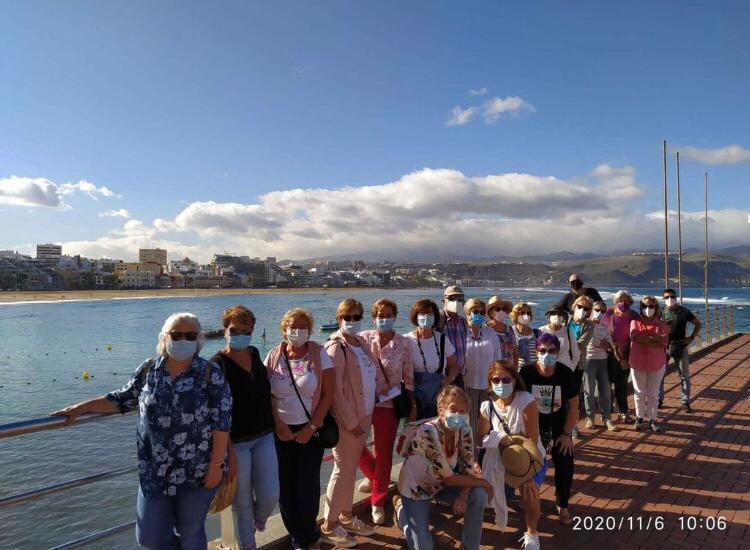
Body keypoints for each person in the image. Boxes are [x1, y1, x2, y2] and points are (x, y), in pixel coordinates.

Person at [52, 312, 232, 550]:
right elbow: (122, 399)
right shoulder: (149, 370)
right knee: (149, 537)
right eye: (176, 334)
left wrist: (215, 466)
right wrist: (80, 408)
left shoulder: (211, 374)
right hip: (154, 472)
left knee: (191, 533)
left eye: (190, 335)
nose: (183, 340)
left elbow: (222, 423)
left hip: (198, 472)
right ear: (164, 337)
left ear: (198, 340)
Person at [265, 308, 334, 550]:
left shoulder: (319, 353)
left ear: (310, 330)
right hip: (280, 431)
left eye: (302, 327)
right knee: (284, 486)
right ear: (284, 329)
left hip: (311, 430)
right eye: (292, 327)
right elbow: (266, 395)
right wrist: (278, 424)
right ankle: (297, 537)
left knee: (307, 486)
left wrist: (311, 426)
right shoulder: (274, 355)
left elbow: (327, 395)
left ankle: (310, 535)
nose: (297, 331)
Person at [211, 305, 278, 550]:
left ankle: (259, 521)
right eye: (234, 329)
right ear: (225, 330)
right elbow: (217, 414)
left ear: (252, 329)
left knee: (271, 494)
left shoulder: (254, 352)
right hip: (236, 442)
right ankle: (247, 545)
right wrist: (226, 452)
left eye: (245, 329)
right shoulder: (217, 365)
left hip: (265, 436)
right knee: (242, 505)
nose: (240, 333)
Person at [394, 385, 493, 550]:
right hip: (417, 489)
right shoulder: (428, 432)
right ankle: (401, 513)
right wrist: (484, 482)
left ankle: (470, 546)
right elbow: (451, 478)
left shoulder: (465, 430)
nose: (459, 415)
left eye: (463, 411)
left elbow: (468, 469)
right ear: (441, 409)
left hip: (443, 484)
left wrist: (464, 495)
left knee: (479, 495)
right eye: (453, 409)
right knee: (423, 546)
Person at [321, 299, 379, 547]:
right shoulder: (336, 348)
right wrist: (351, 421)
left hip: (364, 416)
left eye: (357, 317)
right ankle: (329, 524)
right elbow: (335, 393)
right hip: (349, 421)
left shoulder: (361, 343)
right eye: (348, 318)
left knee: (350, 469)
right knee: (342, 470)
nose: (353, 322)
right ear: (339, 320)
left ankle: (345, 516)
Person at [358, 298, 417, 525]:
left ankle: (378, 500)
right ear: (374, 318)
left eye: (388, 315)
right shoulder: (363, 338)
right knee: (353, 446)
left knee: (383, 454)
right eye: (380, 315)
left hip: (388, 404)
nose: (384, 319)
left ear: (395, 317)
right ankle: (376, 480)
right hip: (362, 403)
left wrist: (411, 403)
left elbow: (409, 377)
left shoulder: (403, 344)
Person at [477, 360, 546, 550]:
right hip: (503, 457)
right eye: (495, 380)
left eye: (505, 379)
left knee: (530, 492)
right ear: (490, 383)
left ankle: (532, 533)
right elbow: (479, 438)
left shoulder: (526, 400)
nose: (501, 384)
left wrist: (529, 476)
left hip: (530, 456)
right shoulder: (487, 407)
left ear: (514, 380)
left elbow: (532, 438)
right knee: (484, 490)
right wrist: (497, 437)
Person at [520, 333, 578, 525]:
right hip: (533, 427)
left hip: (559, 427)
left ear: (558, 352)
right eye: (542, 351)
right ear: (536, 352)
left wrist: (567, 434)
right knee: (527, 464)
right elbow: (517, 404)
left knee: (565, 462)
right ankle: (527, 496)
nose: (547, 354)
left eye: (551, 351)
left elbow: (574, 407)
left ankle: (563, 504)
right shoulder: (527, 373)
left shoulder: (565, 373)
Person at [404, 299, 460, 419]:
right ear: (415, 316)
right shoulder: (406, 341)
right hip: (415, 399)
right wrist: (413, 405)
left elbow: (454, 365)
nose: (426, 317)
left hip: (441, 396)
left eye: (430, 314)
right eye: (422, 313)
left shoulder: (442, 339)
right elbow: (403, 374)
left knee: (439, 434)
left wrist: (450, 379)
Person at [462, 297, 503, 441]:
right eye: (475, 311)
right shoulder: (462, 332)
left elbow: (497, 359)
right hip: (468, 385)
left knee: (489, 423)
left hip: (488, 386)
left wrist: (497, 384)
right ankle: (471, 457)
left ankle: (484, 458)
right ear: (467, 313)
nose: (478, 314)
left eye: (481, 312)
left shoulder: (490, 333)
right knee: (470, 423)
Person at [629, 297, 669, 432]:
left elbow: (664, 341)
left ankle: (653, 419)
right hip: (637, 362)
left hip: (657, 363)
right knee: (639, 392)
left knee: (653, 393)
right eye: (646, 306)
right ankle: (639, 417)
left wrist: (648, 337)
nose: (649, 309)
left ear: (656, 308)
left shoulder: (661, 324)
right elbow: (636, 336)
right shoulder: (634, 322)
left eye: (652, 306)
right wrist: (654, 339)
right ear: (641, 308)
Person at [657, 289, 701, 412]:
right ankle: (659, 399)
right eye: (666, 297)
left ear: (676, 297)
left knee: (684, 376)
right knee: (660, 374)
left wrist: (691, 338)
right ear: (663, 298)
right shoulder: (659, 312)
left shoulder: (684, 311)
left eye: (671, 296)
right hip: (663, 347)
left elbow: (698, 324)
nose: (669, 299)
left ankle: (685, 402)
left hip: (680, 346)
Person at [582, 301, 623, 432]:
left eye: (602, 311)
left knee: (605, 390)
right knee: (588, 390)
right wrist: (601, 343)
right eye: (597, 310)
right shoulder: (586, 325)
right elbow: (591, 342)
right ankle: (590, 418)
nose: (599, 313)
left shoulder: (604, 326)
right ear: (592, 310)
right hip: (588, 361)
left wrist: (604, 345)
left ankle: (607, 418)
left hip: (602, 361)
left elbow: (609, 344)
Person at [603, 290, 639, 423]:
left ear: (630, 301)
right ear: (615, 302)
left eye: (625, 300)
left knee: (621, 385)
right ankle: (606, 412)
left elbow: (639, 334)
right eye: (619, 301)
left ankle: (623, 412)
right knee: (605, 384)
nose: (622, 303)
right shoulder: (608, 313)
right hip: (606, 354)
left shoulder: (635, 316)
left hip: (625, 355)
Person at [438, 285, 468, 387]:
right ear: (444, 301)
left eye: (460, 298)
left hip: (459, 377)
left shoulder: (463, 322)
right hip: (442, 377)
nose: (456, 301)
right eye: (452, 298)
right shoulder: (437, 319)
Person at [486, 296, 518, 365]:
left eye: (504, 309)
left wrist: (515, 371)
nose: (501, 311)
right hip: (491, 371)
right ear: (491, 312)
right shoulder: (485, 329)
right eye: (498, 309)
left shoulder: (509, 330)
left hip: (509, 370)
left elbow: (515, 352)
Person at [511, 302, 540, 368]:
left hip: (534, 373)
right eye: (522, 313)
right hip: (518, 373)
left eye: (528, 313)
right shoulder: (510, 332)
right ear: (515, 315)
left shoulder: (537, 333)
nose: (526, 315)